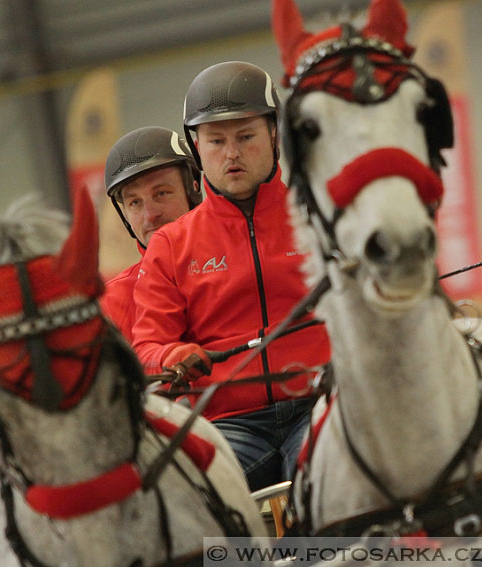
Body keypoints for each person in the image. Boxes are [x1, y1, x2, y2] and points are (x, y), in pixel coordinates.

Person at [131, 61, 331, 491]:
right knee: (189, 500)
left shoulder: (320, 213)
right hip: (228, 423)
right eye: (216, 141)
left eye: (245, 137)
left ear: (274, 135)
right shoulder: (170, 244)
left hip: (321, 401)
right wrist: (170, 357)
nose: (232, 153)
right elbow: (146, 345)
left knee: (328, 484)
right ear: (196, 148)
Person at [100, 127, 201, 343]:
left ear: (193, 190)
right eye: (135, 202)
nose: (150, 215)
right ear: (124, 214)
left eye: (161, 193)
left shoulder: (241, 261)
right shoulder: (113, 303)